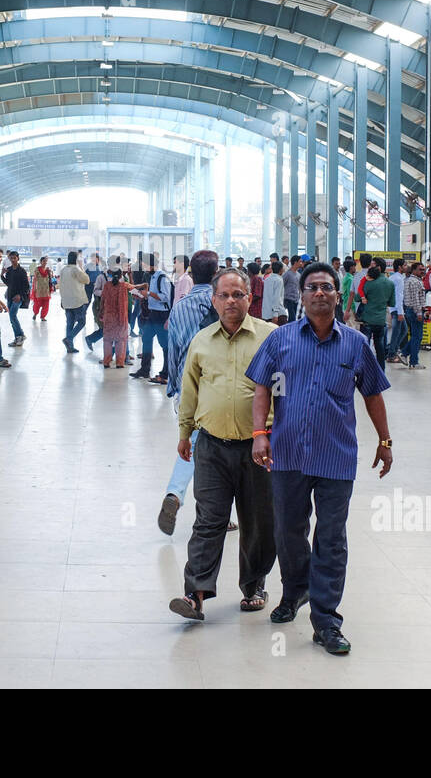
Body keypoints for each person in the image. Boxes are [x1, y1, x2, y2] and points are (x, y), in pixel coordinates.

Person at [247, 261, 393, 657]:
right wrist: (260, 434)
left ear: (337, 293)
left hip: (336, 457)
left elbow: (373, 394)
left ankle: (326, 619)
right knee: (288, 532)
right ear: (303, 293)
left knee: (331, 538)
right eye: (312, 287)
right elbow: (261, 386)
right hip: (287, 452)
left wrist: (385, 439)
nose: (319, 293)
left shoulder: (356, 344)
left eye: (327, 287)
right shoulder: (280, 340)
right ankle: (295, 591)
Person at [168, 267, 277, 621]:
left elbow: (283, 390)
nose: (231, 301)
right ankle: (195, 593)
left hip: (258, 448)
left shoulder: (270, 337)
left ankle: (254, 584)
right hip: (211, 446)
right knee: (209, 520)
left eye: (238, 295)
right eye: (225, 295)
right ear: (213, 300)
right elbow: (190, 390)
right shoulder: (201, 341)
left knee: (257, 521)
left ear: (250, 298)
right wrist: (185, 433)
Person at [157, 250, 222, 535]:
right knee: (219, 450)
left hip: (187, 386)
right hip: (218, 386)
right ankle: (211, 512)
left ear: (191, 274)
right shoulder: (223, 302)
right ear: (217, 272)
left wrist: (172, 385)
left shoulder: (180, 307)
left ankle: (176, 495)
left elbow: (172, 350)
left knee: (193, 443)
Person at [131, 254, 171, 380]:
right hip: (153, 313)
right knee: (146, 338)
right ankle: (144, 370)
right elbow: (153, 295)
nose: (143, 267)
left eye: (145, 265)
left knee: (164, 344)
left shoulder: (162, 278)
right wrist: (142, 295)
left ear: (152, 265)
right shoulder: (152, 277)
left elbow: (166, 297)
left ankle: (166, 373)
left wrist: (148, 293)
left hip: (162, 314)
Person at [358, 264, 394, 368]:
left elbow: (357, 297)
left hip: (367, 320)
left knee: (365, 346)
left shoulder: (368, 283)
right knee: (380, 347)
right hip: (380, 321)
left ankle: (365, 370)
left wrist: (364, 298)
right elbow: (391, 303)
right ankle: (381, 372)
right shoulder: (390, 283)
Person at [97, 264, 132, 369]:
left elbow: (102, 300)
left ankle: (106, 361)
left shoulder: (107, 285)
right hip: (121, 317)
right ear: (121, 275)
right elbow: (135, 289)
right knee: (120, 340)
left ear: (111, 275)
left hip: (109, 317)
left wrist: (101, 313)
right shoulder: (124, 285)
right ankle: (120, 362)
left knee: (107, 340)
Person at [57, 251, 91, 354]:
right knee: (81, 322)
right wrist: (81, 267)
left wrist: (62, 300)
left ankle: (70, 347)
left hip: (67, 301)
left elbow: (61, 286)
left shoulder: (63, 270)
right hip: (77, 301)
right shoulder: (76, 269)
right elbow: (87, 280)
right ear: (76, 260)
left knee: (70, 323)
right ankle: (69, 338)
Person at [401, 262, 427, 369]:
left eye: (423, 269)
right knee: (417, 337)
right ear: (414, 270)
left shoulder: (408, 280)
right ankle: (413, 361)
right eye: (420, 269)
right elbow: (416, 298)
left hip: (409, 310)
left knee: (415, 336)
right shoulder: (415, 282)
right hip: (415, 311)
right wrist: (419, 312)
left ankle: (405, 354)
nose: (423, 271)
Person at [3, 251, 30, 348]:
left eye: (14, 258)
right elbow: (8, 283)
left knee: (12, 315)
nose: (13, 260)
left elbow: (27, 286)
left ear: (18, 258)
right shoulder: (9, 270)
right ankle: (18, 338)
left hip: (18, 297)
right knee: (11, 317)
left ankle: (21, 335)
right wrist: (2, 275)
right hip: (10, 296)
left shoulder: (22, 271)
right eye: (11, 258)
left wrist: (20, 295)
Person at [385, 258, 407, 363]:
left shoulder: (393, 277)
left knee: (403, 330)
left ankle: (392, 349)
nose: (406, 267)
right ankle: (391, 354)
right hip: (397, 309)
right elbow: (399, 296)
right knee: (397, 332)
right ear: (400, 267)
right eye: (405, 265)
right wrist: (400, 312)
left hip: (393, 308)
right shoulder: (398, 279)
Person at [31, 256, 53, 321]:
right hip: (39, 290)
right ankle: (35, 313)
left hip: (46, 290)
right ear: (41, 262)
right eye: (44, 261)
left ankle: (43, 317)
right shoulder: (37, 269)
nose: (45, 262)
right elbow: (35, 279)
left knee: (46, 304)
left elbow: (50, 279)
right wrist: (34, 288)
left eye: (46, 261)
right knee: (38, 303)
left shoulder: (48, 270)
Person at [282, 255, 302, 322]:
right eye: (300, 262)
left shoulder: (298, 274)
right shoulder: (287, 274)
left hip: (296, 300)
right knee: (292, 318)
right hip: (288, 299)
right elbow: (282, 285)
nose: (301, 263)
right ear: (295, 262)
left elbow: (299, 288)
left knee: (295, 318)